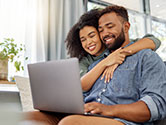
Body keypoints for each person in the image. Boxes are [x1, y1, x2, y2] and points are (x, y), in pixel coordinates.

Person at [23, 7, 163, 125]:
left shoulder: (146, 57)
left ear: (126, 26)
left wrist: (108, 109)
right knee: (31, 118)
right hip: (88, 115)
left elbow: (156, 106)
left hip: (120, 120)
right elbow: (81, 93)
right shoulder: (95, 64)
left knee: (70, 123)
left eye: (110, 26)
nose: (105, 33)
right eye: (101, 30)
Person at [65, 9, 160, 92]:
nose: (88, 42)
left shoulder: (114, 45)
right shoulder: (86, 61)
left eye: (92, 36)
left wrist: (120, 53)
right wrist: (107, 61)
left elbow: (153, 41)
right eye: (83, 40)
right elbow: (81, 86)